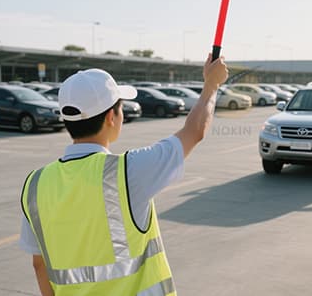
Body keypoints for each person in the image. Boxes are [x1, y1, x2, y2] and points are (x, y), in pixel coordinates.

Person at [19, 54, 228, 296]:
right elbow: (195, 131)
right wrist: (211, 86)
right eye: (120, 108)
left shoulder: (35, 184)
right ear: (111, 117)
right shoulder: (128, 171)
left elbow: (39, 264)